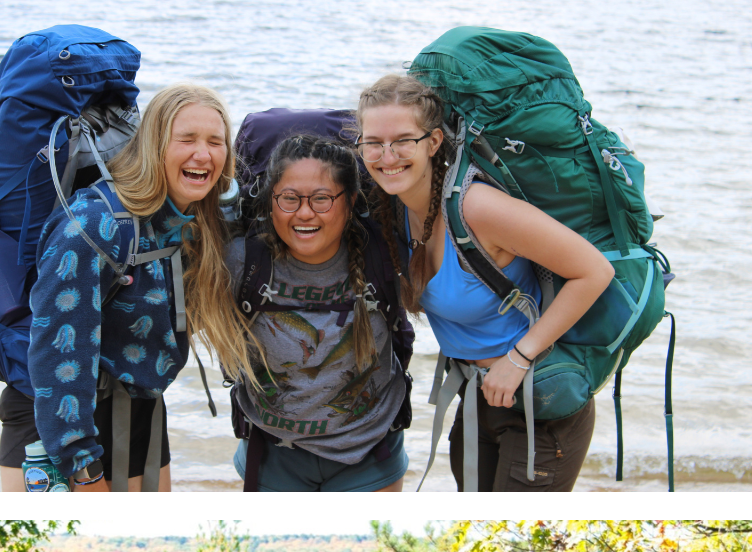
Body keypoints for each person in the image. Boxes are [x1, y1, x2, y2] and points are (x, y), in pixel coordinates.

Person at [356, 74, 614, 491]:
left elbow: (595, 271)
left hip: (540, 402)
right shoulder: (394, 208)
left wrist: (519, 358)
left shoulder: (478, 208)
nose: (387, 156)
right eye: (373, 142)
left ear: (434, 142)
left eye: (404, 140)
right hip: (477, 399)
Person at [7, 83, 238, 492]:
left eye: (215, 142)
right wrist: (81, 465)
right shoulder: (97, 224)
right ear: (154, 145)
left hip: (140, 406)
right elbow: (58, 350)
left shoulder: (191, 221)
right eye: (186, 139)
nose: (203, 154)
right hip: (60, 419)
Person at [217, 133, 412, 491]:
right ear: (270, 201)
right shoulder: (240, 261)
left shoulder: (385, 254)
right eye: (289, 198)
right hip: (272, 451)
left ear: (351, 200)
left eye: (322, 199)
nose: (304, 213)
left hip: (370, 449)